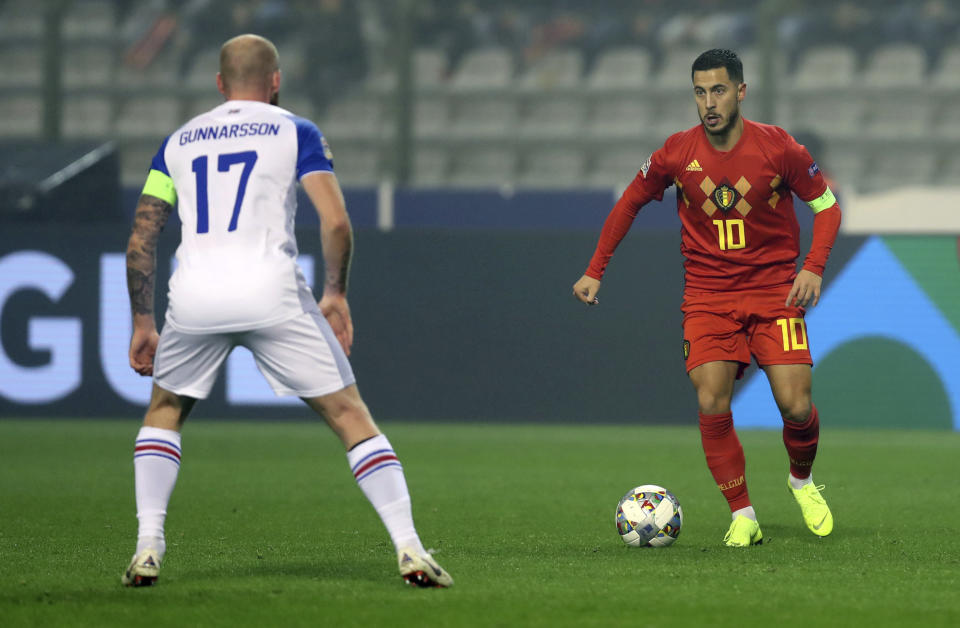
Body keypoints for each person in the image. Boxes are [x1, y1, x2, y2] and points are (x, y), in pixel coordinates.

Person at [122, 34, 452, 587]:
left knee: (165, 410)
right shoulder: (294, 129)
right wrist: (335, 293)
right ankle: (411, 549)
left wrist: (141, 321)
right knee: (349, 415)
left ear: (220, 83)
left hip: (195, 294)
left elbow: (142, 237)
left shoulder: (175, 142)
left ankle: (147, 545)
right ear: (275, 80)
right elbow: (337, 221)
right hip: (270, 289)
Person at [572, 48, 841, 547]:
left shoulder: (779, 148)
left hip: (773, 292)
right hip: (708, 296)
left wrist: (813, 267)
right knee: (712, 399)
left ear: (740, 91)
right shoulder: (677, 153)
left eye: (718, 90)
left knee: (797, 406)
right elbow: (629, 202)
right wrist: (594, 270)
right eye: (700, 92)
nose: (709, 102)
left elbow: (826, 206)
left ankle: (801, 481)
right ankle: (743, 514)